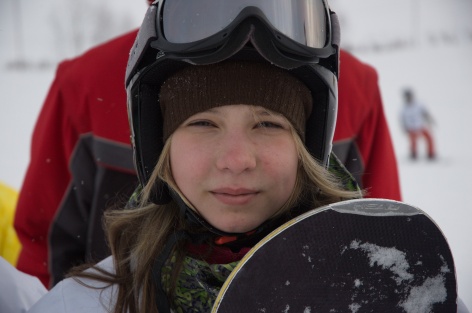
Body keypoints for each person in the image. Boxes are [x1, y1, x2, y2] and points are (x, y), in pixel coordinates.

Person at [14, 0, 401, 289]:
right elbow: (42, 246)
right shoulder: (84, 84)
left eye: (268, 124)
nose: (236, 160)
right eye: (202, 124)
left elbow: (387, 234)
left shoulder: (350, 84)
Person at [400, 88, 436, 160]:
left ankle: (431, 154)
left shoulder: (419, 104)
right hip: (411, 128)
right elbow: (402, 119)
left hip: (421, 126)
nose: (409, 98)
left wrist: (430, 120)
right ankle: (413, 154)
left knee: (429, 139)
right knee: (413, 141)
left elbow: (425, 113)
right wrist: (404, 128)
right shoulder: (403, 108)